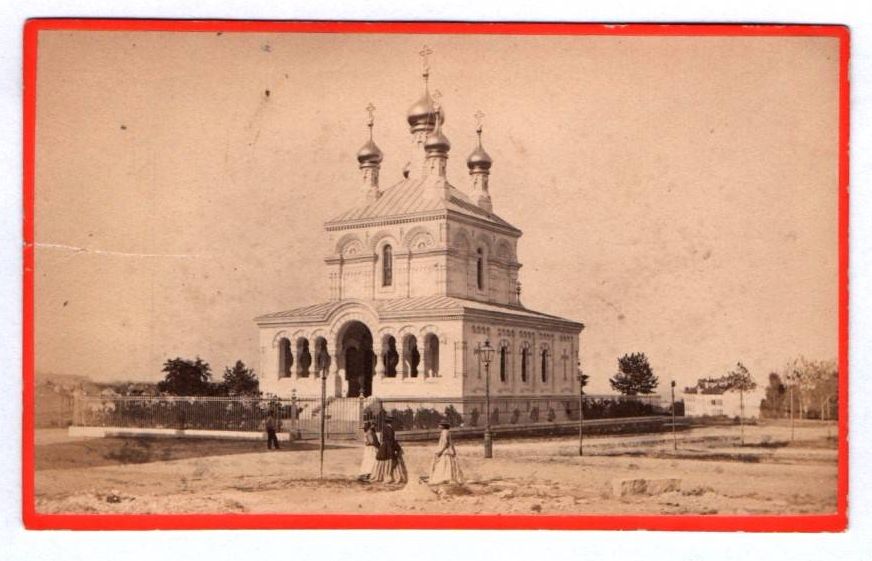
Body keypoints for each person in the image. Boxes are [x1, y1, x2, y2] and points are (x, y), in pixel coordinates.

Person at [371, 416, 407, 484]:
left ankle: (381, 476)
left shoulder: (384, 429)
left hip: (384, 446)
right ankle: (390, 477)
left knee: (383, 462)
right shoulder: (390, 429)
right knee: (392, 461)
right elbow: (391, 439)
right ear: (391, 422)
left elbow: (383, 439)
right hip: (389, 446)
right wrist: (397, 448)